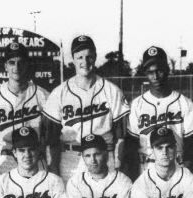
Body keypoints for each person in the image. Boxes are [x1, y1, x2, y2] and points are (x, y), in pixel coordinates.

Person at [42, 35, 130, 182]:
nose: (84, 61)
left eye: (89, 56)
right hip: (70, 160)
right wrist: (53, 168)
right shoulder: (59, 93)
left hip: (103, 157)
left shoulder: (111, 90)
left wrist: (118, 163)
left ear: (95, 57)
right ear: (73, 59)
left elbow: (121, 136)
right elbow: (51, 139)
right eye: (80, 57)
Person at [128, 46, 193, 175]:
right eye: (150, 72)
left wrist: (186, 175)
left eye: (159, 70)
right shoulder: (137, 104)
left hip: (177, 166)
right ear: (145, 73)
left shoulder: (185, 103)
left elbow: (192, 146)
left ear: (167, 69)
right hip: (146, 168)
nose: (155, 76)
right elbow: (131, 145)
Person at [0, 42, 50, 174]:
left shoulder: (42, 95)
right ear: (5, 66)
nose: (16, 67)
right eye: (12, 62)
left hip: (33, 158)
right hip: (3, 158)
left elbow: (50, 134)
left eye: (21, 62)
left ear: (27, 64)